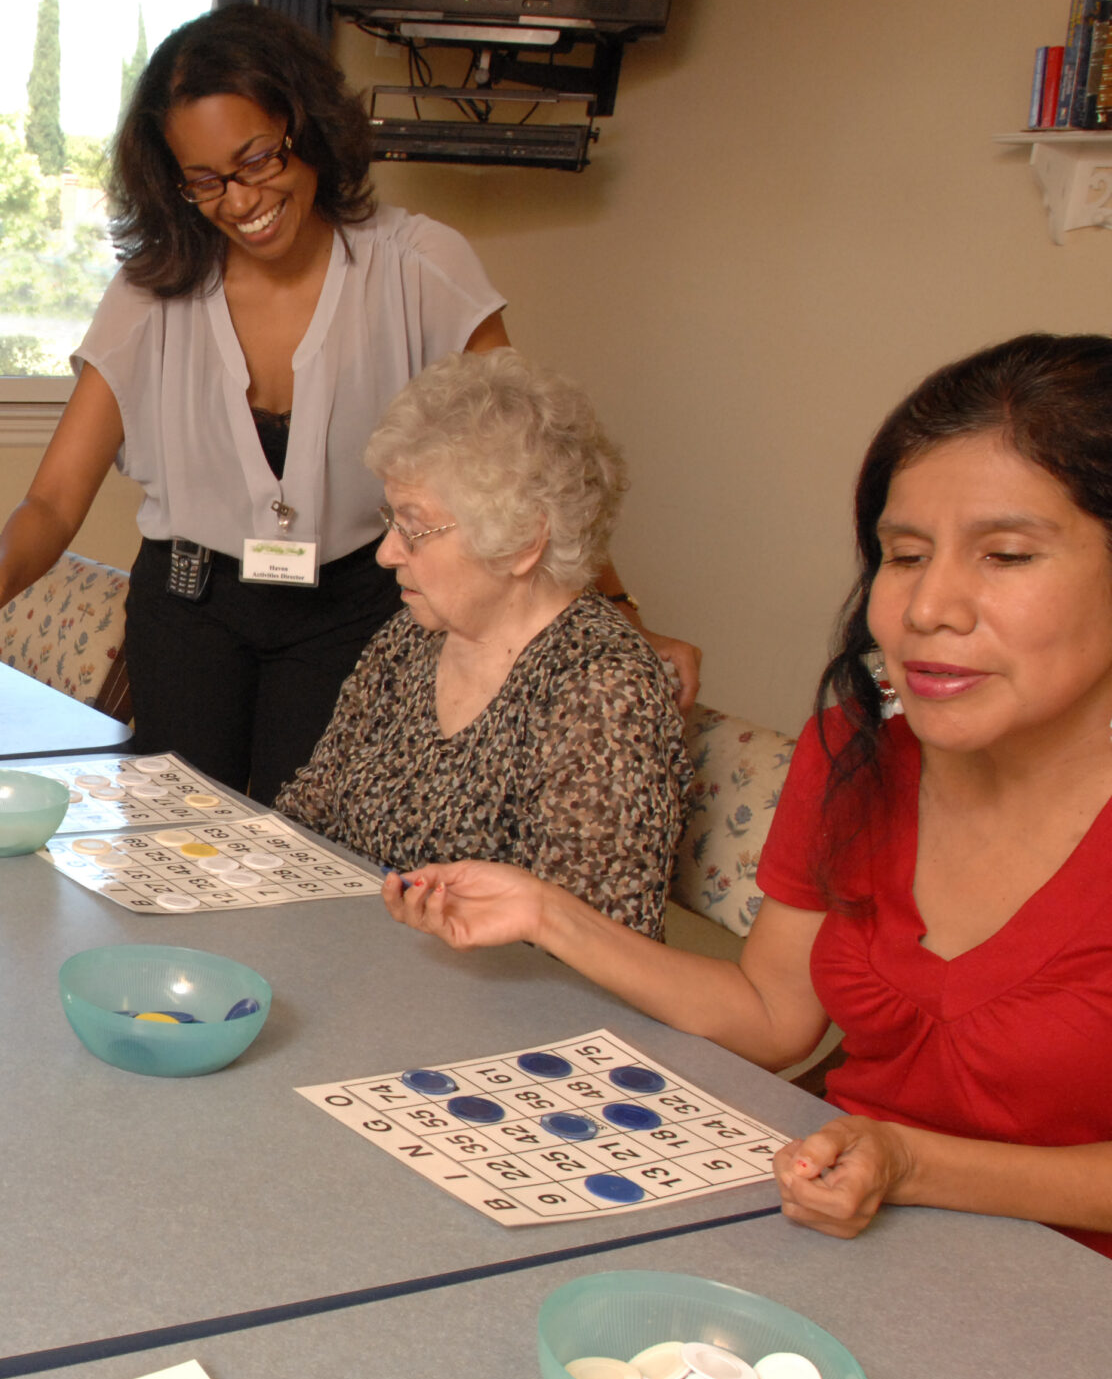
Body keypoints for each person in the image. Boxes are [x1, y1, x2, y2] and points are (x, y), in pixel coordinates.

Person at [384, 334, 1112, 1253]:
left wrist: (913, 1165)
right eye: (905, 555)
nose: (930, 609)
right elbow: (774, 1018)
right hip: (849, 1238)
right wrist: (545, 913)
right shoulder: (856, 752)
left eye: (1006, 556)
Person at [0, 3, 697, 802]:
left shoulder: (417, 264)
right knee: (173, 845)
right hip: (189, 609)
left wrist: (621, 614)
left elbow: (533, 469)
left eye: (255, 160)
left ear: (303, 124)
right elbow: (52, 499)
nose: (240, 201)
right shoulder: (150, 294)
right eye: (204, 181)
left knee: (314, 855)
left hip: (353, 613)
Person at [273, 350, 686, 937]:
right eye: (390, 519)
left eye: (414, 526)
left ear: (522, 540)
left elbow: (595, 953)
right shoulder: (409, 640)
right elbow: (309, 813)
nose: (387, 552)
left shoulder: (604, 691)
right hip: (361, 961)